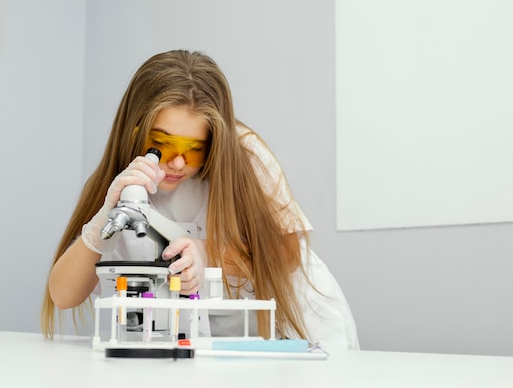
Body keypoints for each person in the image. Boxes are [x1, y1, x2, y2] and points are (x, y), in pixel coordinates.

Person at [40, 50, 360, 350]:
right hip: (203, 347)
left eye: (195, 148)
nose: (178, 163)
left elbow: (288, 253)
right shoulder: (122, 182)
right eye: (162, 143)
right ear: (133, 129)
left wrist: (207, 252)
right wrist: (100, 224)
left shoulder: (244, 155)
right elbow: (63, 295)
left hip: (298, 332)